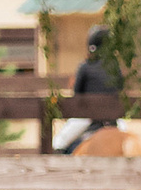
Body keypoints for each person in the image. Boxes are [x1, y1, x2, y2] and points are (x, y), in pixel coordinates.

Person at [50, 25, 121, 154]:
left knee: (58, 142)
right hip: (113, 117)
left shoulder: (85, 67)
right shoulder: (115, 66)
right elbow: (120, 88)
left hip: (88, 117)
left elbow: (77, 94)